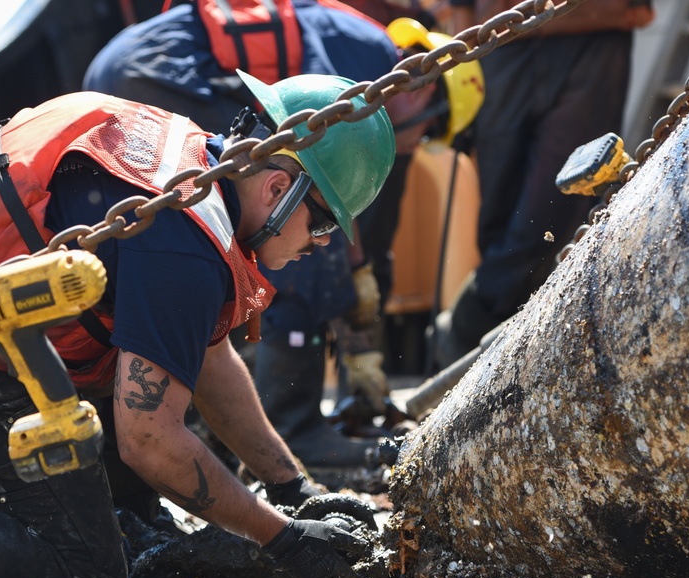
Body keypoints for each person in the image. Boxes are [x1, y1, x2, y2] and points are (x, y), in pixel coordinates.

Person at [0, 71, 394, 578]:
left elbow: (208, 356)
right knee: (88, 573)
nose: (322, 243)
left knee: (143, 540)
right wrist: (285, 540)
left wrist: (290, 487)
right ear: (278, 191)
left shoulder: (198, 166)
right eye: (325, 222)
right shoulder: (184, 250)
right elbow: (149, 441)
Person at [83, 2, 483, 467]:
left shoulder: (359, 46)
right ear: (424, 85)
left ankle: (218, 418)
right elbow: (316, 179)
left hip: (132, 66)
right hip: (161, 73)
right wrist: (353, 304)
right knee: (290, 234)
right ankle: (295, 423)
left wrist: (361, 278)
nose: (421, 141)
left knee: (249, 232)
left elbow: (333, 200)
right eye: (433, 127)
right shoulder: (370, 62)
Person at [433, 0, 654, 366]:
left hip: (590, 40)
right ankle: (496, 347)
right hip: (502, 45)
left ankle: (467, 331)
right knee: (498, 215)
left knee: (547, 215)